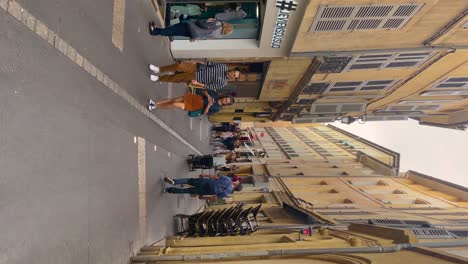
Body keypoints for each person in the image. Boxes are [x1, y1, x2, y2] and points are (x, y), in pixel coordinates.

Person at [147, 60, 241, 92]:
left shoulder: (223, 82)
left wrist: (197, 84)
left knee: (176, 78)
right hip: (196, 68)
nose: (233, 73)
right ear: (233, 70)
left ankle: (158, 78)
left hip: (196, 78)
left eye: (234, 75)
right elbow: (208, 63)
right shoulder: (223, 66)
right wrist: (195, 61)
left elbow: (209, 87)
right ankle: (159, 69)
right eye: (234, 72)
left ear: (234, 78)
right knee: (179, 66)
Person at [148, 89, 234, 116]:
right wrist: (208, 96)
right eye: (226, 98)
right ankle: (155, 103)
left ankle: (156, 107)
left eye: (226, 101)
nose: (225, 100)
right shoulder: (215, 94)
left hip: (194, 106)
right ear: (225, 96)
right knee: (173, 100)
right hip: (195, 98)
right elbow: (204, 91)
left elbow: (205, 113)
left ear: (226, 104)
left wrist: (208, 105)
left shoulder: (217, 108)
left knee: (174, 104)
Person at [164, 175, 243, 200]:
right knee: (187, 190)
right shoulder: (227, 193)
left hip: (206, 182)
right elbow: (214, 198)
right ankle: (168, 190)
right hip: (205, 191)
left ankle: (175, 182)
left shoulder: (228, 179)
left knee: (189, 181)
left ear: (236, 184)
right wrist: (203, 198)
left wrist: (204, 175)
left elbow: (215, 177)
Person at [149, 18, 233, 41]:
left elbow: (202, 23)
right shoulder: (219, 36)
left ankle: (155, 31)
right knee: (174, 32)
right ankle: (157, 29)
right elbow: (205, 37)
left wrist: (210, 19)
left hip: (192, 27)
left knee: (174, 29)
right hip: (194, 34)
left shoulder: (218, 24)